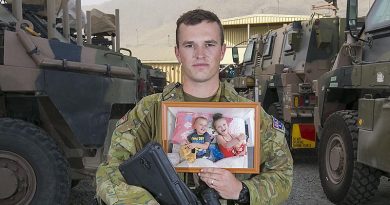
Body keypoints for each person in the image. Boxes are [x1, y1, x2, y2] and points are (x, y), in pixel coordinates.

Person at [96, 9, 293, 205]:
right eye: (189, 45)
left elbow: (283, 175)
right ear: (177, 52)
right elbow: (110, 171)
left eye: (209, 44)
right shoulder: (150, 110)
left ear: (222, 51)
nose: (200, 54)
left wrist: (242, 191)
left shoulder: (250, 115)